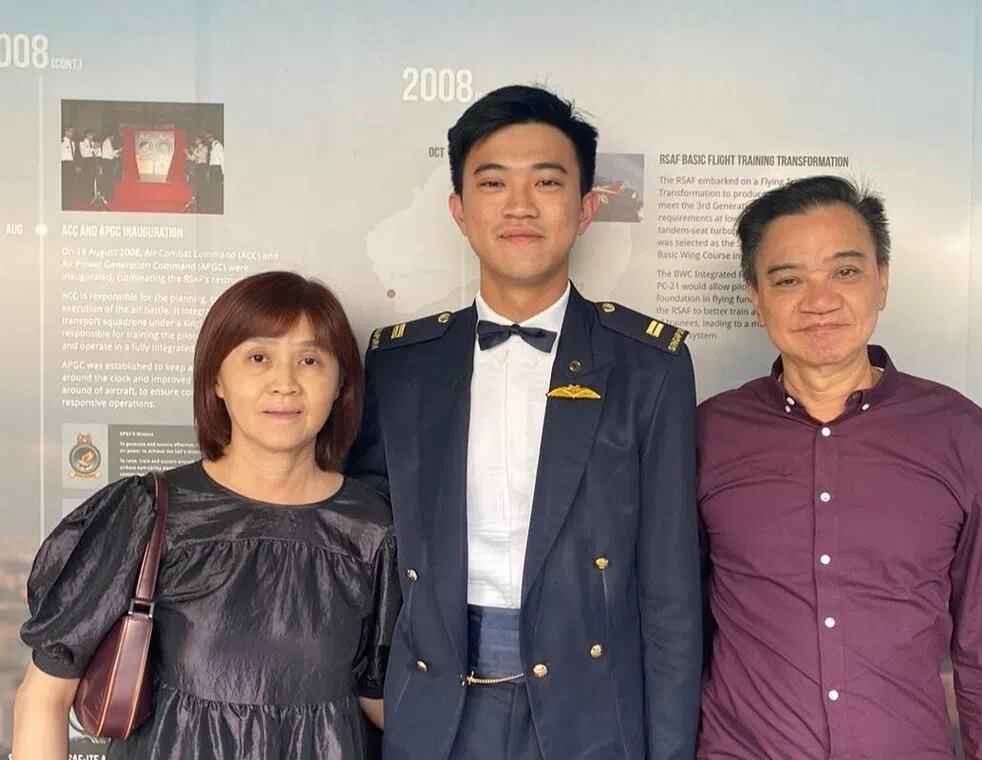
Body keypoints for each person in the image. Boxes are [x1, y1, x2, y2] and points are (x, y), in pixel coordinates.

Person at [346, 84, 701, 760]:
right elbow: (362, 551)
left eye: (546, 181)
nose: (519, 205)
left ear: (587, 207)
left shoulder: (649, 367)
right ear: (458, 210)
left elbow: (671, 594)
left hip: (591, 709)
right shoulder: (400, 365)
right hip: (434, 708)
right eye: (493, 182)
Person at [696, 175, 982, 758]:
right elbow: (668, 625)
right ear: (755, 296)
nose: (820, 300)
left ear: (882, 281)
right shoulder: (708, 434)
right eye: (788, 280)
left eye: (846, 271)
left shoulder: (959, 434)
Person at [13, 271, 400, 759]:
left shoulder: (371, 530)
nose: (285, 384)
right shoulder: (147, 512)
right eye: (258, 358)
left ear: (341, 381)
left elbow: (381, 696)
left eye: (310, 360)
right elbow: (45, 695)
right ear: (216, 378)